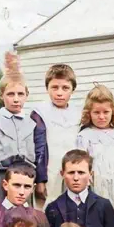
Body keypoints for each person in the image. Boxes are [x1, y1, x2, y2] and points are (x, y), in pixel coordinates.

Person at [0, 52, 48, 209]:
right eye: (10, 94)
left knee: (23, 220)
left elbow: (34, 154)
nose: (16, 99)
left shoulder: (31, 123)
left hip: (24, 178)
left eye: (20, 94)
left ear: (26, 95)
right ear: (1, 95)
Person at [76, 84, 114, 215]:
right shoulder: (85, 136)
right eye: (96, 112)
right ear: (89, 113)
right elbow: (82, 164)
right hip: (98, 186)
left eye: (106, 112)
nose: (101, 117)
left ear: (113, 111)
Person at [30, 63, 80, 205]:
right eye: (54, 87)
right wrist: (40, 179)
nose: (59, 93)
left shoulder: (78, 114)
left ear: (73, 90)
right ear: (47, 88)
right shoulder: (40, 113)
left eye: (65, 88)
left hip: (73, 173)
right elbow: (38, 149)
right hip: (49, 173)